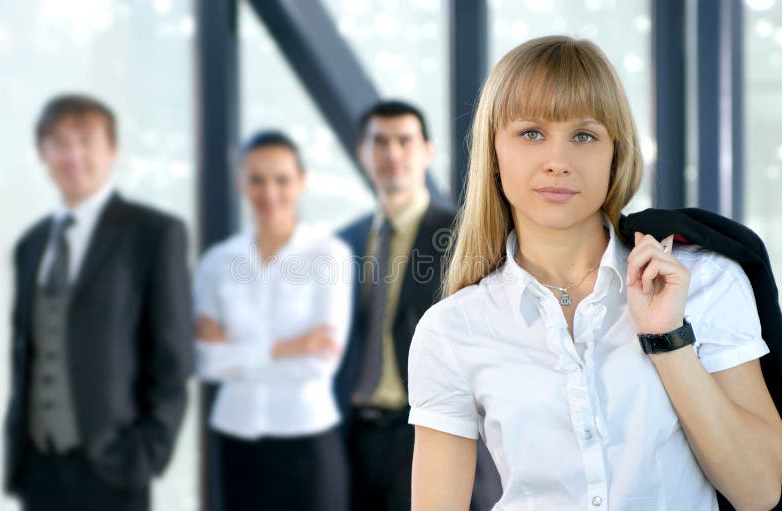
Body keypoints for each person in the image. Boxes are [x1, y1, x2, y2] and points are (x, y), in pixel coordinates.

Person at [408, 36, 782, 511]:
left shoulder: (705, 282)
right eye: (530, 133)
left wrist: (668, 340)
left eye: (584, 135)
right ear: (494, 153)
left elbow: (762, 490)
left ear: (615, 152)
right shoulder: (451, 329)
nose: (558, 162)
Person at [4, 94, 193, 511]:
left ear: (113, 149)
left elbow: (174, 355)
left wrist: (148, 452)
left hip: (116, 462)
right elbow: (28, 352)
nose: (73, 155)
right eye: (59, 143)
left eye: (86, 141)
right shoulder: (31, 244)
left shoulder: (154, 233)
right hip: (39, 467)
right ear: (42, 153)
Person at [337, 100, 500, 510]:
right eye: (380, 142)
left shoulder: (463, 236)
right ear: (362, 153)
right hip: (357, 441)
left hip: (430, 432)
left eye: (404, 141)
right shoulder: (346, 242)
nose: (392, 153)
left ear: (427, 151)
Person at [194, 131, 352, 510]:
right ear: (240, 184)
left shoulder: (329, 256)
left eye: (281, 179)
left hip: (307, 442)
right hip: (235, 439)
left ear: (301, 182)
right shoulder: (217, 262)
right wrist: (286, 348)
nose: (269, 192)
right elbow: (205, 361)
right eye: (257, 180)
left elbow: (318, 364)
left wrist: (235, 352)